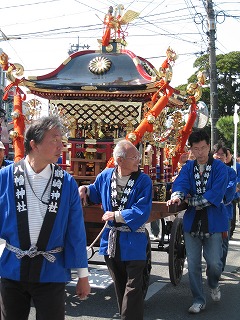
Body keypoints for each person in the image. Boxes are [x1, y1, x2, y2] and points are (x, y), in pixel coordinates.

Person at [0, 116, 90, 320]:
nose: (61, 146)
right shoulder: (5, 177)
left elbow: (75, 232)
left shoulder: (67, 183)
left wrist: (82, 276)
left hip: (52, 270)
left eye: (61, 141)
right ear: (34, 144)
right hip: (13, 268)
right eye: (54, 140)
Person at [79, 139, 152, 320]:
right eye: (134, 157)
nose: (138, 160)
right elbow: (95, 191)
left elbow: (142, 210)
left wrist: (116, 215)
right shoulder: (105, 176)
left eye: (138, 156)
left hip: (134, 240)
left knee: (133, 286)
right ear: (120, 160)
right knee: (120, 285)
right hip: (112, 242)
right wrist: (85, 189)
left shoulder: (143, 181)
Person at [167, 129, 229, 314]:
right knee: (193, 264)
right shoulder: (188, 168)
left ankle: (213, 282)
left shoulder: (220, 168)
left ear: (209, 146)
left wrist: (190, 200)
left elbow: (215, 195)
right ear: (191, 150)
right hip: (192, 221)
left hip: (214, 221)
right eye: (196, 149)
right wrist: (177, 196)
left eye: (203, 148)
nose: (200, 152)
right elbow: (180, 184)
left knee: (214, 263)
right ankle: (198, 299)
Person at [212, 142, 237, 271]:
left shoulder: (231, 172)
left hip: (224, 211)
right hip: (207, 211)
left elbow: (231, 188)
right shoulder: (205, 170)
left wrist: (216, 196)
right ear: (213, 154)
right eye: (217, 153)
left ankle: (219, 267)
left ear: (226, 157)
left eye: (223, 154)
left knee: (223, 241)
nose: (220, 156)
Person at [226, 148, 240, 237]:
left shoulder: (237, 166)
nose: (226, 157)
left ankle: (231, 229)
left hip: (233, 193)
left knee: (232, 211)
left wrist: (237, 186)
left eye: (228, 154)